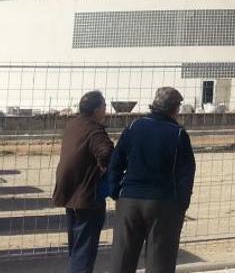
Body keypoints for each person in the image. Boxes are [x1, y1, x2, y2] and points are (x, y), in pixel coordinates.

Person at [107, 87, 196, 273]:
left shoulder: (133, 127)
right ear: (175, 108)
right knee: (160, 261)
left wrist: (115, 190)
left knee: (122, 258)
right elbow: (186, 173)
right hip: (162, 203)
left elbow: (116, 161)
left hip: (129, 200)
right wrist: (181, 203)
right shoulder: (178, 134)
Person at [52, 91, 114, 273]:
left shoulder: (73, 125)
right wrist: (105, 172)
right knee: (84, 250)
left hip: (69, 194)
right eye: (104, 106)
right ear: (96, 109)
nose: (105, 110)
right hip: (87, 196)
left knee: (76, 247)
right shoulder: (94, 129)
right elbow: (107, 154)